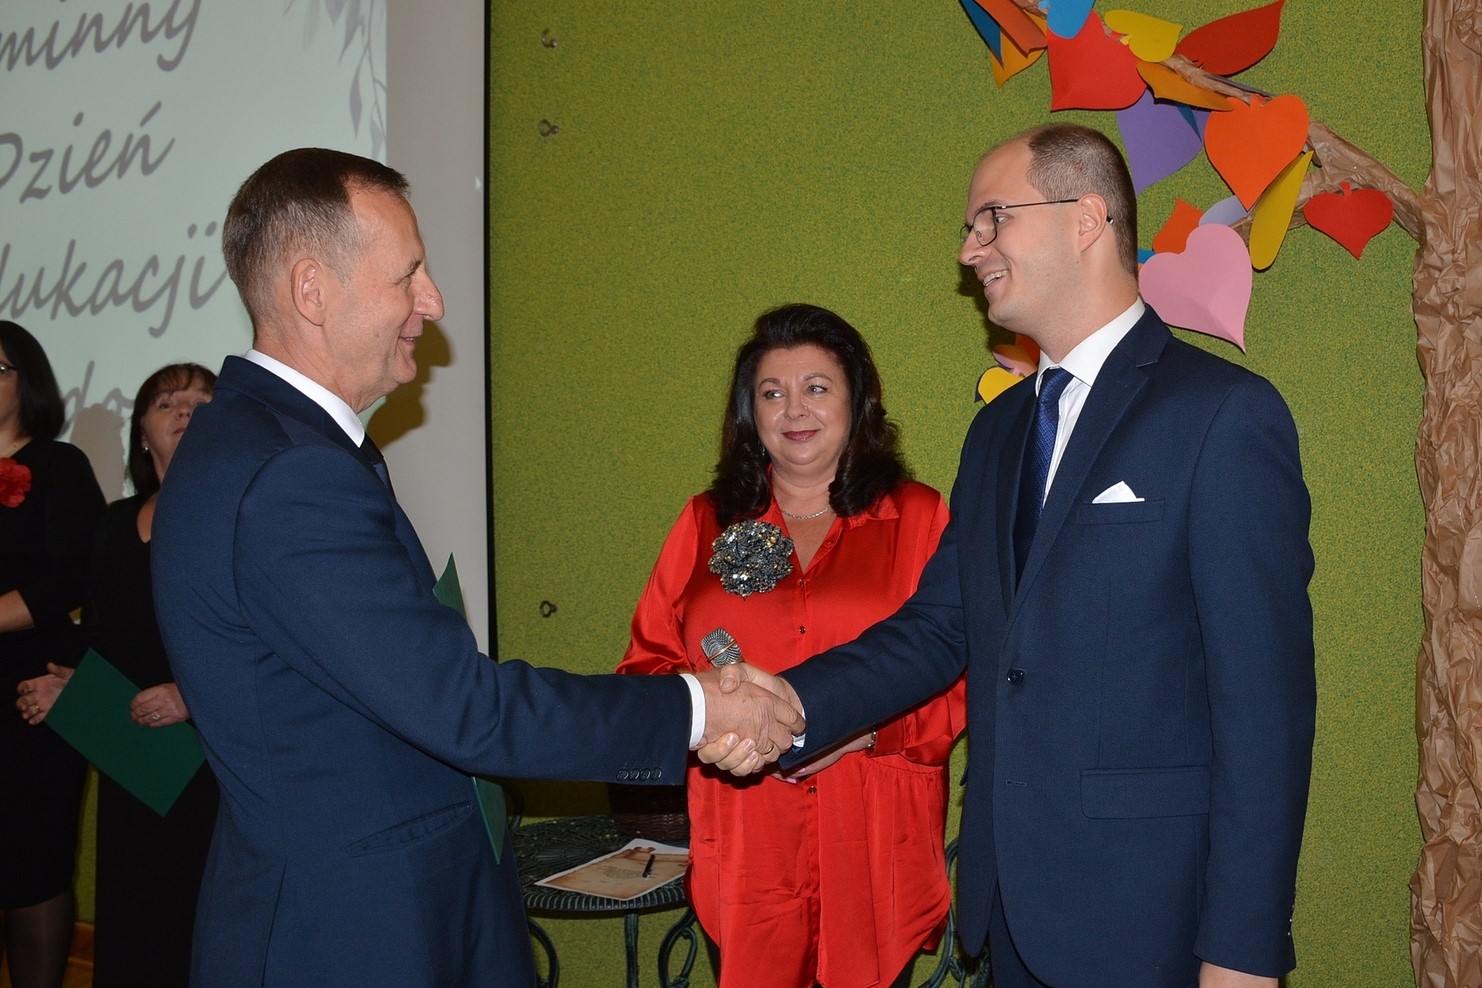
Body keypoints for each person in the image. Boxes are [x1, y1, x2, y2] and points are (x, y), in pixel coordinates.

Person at [147, 147, 803, 988]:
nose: (433, 301)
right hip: (355, 934)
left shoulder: (253, 443)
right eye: (407, 276)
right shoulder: (289, 475)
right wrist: (699, 705)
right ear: (313, 291)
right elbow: (462, 707)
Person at [712, 123, 1317, 988]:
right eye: (970, 228)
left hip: (1155, 921)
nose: (970, 250)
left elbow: (1266, 712)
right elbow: (939, 628)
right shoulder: (999, 431)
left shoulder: (1222, 416)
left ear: (1087, 218)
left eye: (992, 219)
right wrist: (794, 702)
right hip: (1011, 913)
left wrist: (1243, 950)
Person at [618, 303, 966, 988]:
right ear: (750, 414)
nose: (794, 410)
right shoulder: (705, 521)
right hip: (744, 842)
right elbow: (645, 668)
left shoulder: (918, 517)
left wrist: (866, 730)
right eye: (772, 393)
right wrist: (711, 713)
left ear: (856, 402)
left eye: (816, 387)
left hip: (873, 842)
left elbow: (962, 671)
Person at [19, 363, 219, 987]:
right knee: (134, 926)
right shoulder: (112, 522)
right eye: (166, 403)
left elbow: (265, 642)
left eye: (202, 400)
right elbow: (101, 637)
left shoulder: (239, 515)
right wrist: (69, 689)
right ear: (142, 435)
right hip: (133, 759)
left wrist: (193, 697)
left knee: (202, 933)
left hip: (212, 759)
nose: (184, 411)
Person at [0, 321, 106, 988]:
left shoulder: (59, 465)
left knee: (31, 867)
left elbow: (73, 577)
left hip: (32, 693)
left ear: (27, 382)